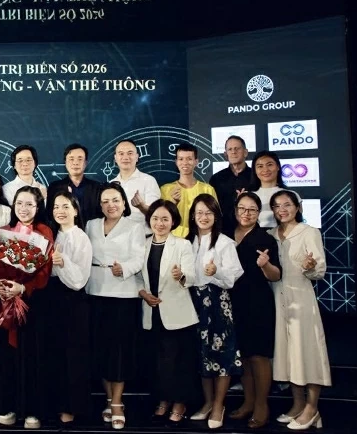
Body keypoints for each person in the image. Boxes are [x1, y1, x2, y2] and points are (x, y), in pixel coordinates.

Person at [0, 186, 54, 430]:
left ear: (38, 207)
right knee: (7, 358)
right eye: (19, 203)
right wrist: (0, 284)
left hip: (33, 304)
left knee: (31, 357)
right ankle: (7, 406)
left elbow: (44, 271)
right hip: (6, 302)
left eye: (29, 204)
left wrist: (23, 288)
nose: (23, 208)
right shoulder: (4, 233)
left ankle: (32, 410)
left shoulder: (44, 232)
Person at [85, 182, 145, 429]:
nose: (111, 205)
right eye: (105, 201)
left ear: (124, 203)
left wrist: (125, 268)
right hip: (95, 292)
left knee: (120, 352)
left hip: (123, 294)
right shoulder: (91, 225)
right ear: (100, 205)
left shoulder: (135, 226)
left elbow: (139, 257)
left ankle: (118, 402)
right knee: (101, 349)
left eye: (115, 200)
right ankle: (109, 399)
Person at [269, 190, 331, 431]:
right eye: (277, 206)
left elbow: (319, 271)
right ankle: (297, 405)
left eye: (287, 205)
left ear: (297, 207)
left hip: (302, 299)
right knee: (289, 355)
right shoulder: (271, 235)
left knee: (308, 351)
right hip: (277, 300)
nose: (282, 210)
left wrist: (310, 266)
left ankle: (312, 409)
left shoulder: (309, 232)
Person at [186, 194, 244, 430]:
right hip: (193, 302)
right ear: (192, 216)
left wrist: (216, 271)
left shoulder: (225, 242)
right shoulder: (187, 241)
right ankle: (208, 402)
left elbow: (233, 276)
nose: (203, 217)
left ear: (216, 216)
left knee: (222, 355)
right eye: (199, 212)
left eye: (208, 213)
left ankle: (219, 405)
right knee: (201, 354)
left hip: (218, 302)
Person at [139, 199, 198, 426]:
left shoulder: (182, 245)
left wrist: (180, 275)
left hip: (177, 314)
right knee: (157, 362)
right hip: (151, 311)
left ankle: (180, 403)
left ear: (173, 221)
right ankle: (163, 401)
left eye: (165, 219)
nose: (160, 223)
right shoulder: (143, 244)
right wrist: (143, 293)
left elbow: (191, 277)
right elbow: (137, 276)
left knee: (178, 362)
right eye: (155, 218)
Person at [229, 192, 281, 429]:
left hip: (258, 303)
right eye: (242, 208)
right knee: (244, 356)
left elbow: (276, 275)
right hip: (232, 303)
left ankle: (262, 405)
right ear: (235, 210)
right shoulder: (226, 234)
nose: (246, 213)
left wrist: (265, 265)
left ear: (259, 213)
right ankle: (248, 402)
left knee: (259, 356)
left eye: (252, 209)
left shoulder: (265, 238)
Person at [41, 190, 92, 425]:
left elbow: (79, 280)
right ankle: (53, 404)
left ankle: (71, 407)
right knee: (53, 354)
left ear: (75, 210)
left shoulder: (80, 237)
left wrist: (63, 263)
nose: (60, 211)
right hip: (51, 300)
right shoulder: (50, 234)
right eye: (56, 207)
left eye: (65, 206)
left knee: (73, 356)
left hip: (72, 301)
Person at [160, 143, 217, 237]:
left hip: (201, 239)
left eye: (189, 159)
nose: (185, 163)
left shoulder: (207, 189)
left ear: (196, 162)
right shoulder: (166, 189)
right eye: (181, 159)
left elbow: (215, 217)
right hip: (174, 239)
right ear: (176, 162)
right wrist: (173, 203)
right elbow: (161, 219)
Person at [111, 140, 160, 229]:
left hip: (143, 235)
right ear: (115, 158)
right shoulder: (110, 184)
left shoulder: (148, 180)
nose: (125, 157)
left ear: (137, 157)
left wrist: (142, 207)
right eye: (121, 154)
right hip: (117, 235)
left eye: (130, 153)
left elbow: (157, 214)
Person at [46, 143, 102, 221]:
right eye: (71, 159)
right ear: (65, 162)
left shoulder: (97, 188)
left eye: (80, 159)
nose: (75, 163)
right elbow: (49, 215)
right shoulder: (54, 187)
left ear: (85, 163)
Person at [209, 136, 252, 235]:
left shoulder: (256, 176)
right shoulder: (216, 179)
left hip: (251, 230)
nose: (233, 152)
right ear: (225, 154)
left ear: (245, 152)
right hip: (223, 232)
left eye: (237, 148)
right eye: (230, 149)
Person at [249, 151, 286, 229]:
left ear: (278, 167)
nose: (265, 170)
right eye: (260, 166)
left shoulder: (290, 195)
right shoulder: (249, 196)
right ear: (255, 170)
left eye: (269, 165)